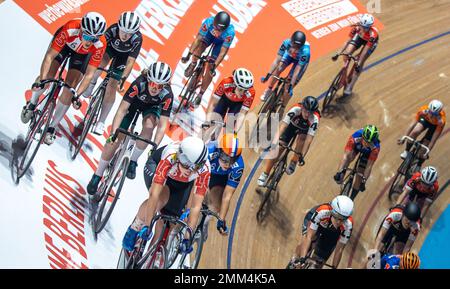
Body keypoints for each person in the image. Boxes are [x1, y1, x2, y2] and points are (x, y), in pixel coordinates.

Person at [86, 61, 174, 194]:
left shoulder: (167, 95)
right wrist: (113, 134)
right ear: (148, 79)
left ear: (165, 85)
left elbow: (162, 125)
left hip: (152, 108)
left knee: (150, 126)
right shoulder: (139, 83)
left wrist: (154, 147)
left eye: (159, 86)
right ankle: (97, 175)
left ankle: (133, 160)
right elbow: (121, 110)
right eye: (152, 83)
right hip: (133, 104)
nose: (155, 88)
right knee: (115, 140)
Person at [21, 12, 107, 145]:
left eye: (94, 39)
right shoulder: (70, 28)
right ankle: (31, 103)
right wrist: (43, 80)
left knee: (70, 90)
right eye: (86, 36)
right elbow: (49, 56)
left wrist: (76, 95)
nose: (89, 41)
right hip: (64, 46)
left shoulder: (100, 44)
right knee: (48, 76)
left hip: (81, 57)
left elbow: (89, 74)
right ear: (81, 29)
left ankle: (52, 127)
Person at [122, 136, 211, 253]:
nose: (190, 169)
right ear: (180, 155)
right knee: (160, 200)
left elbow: (196, 206)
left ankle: (151, 256)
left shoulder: (205, 169)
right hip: (157, 167)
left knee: (172, 220)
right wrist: (147, 225)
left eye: (195, 167)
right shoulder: (170, 155)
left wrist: (187, 238)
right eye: (186, 163)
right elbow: (154, 195)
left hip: (182, 183)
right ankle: (135, 226)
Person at [81, 11, 143, 135]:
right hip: (109, 50)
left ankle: (101, 121)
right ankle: (92, 82)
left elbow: (130, 62)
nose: (125, 36)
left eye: (129, 33)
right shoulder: (113, 29)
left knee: (112, 86)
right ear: (119, 26)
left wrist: (123, 79)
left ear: (134, 32)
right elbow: (99, 46)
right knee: (100, 64)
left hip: (123, 58)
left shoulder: (137, 38)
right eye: (124, 31)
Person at [257, 96, 320, 187]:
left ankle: (293, 161)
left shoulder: (314, 119)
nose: (307, 114)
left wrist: (302, 156)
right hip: (291, 125)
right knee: (278, 149)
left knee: (302, 140)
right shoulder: (295, 110)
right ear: (302, 107)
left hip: (304, 130)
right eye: (306, 111)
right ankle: (265, 174)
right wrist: (275, 142)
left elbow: (309, 140)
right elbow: (282, 127)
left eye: (310, 112)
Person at [180, 11, 235, 107]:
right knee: (200, 47)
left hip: (220, 44)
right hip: (208, 37)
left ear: (225, 29)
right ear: (214, 23)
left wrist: (214, 67)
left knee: (210, 67)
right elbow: (198, 39)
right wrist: (189, 54)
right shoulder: (209, 22)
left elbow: (222, 53)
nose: (217, 32)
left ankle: (200, 94)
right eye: (216, 28)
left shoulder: (230, 33)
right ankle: (193, 64)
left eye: (220, 30)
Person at [287, 195, 354, 269]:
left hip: (332, 232)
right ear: (332, 210)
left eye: (343, 219)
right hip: (317, 222)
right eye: (336, 216)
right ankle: (294, 260)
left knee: (319, 260)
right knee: (309, 242)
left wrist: (334, 267)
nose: (338, 221)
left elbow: (340, 249)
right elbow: (308, 237)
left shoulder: (348, 225)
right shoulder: (323, 211)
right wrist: (302, 258)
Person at [201, 133, 244, 239]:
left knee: (216, 206)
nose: (227, 164)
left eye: (232, 160)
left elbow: (227, 196)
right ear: (219, 151)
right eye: (224, 158)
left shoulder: (239, 165)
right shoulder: (209, 151)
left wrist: (221, 220)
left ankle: (204, 223)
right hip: (203, 173)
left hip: (219, 179)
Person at [260, 31, 310, 113]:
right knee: (278, 69)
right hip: (289, 56)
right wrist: (268, 75)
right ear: (291, 41)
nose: (296, 48)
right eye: (294, 45)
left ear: (302, 45)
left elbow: (297, 70)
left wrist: (291, 85)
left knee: (288, 85)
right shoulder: (286, 42)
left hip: (300, 63)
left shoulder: (306, 52)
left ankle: (283, 106)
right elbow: (277, 61)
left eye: (298, 47)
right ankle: (269, 90)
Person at [331, 13, 379, 98]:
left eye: (366, 28)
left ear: (370, 26)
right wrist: (337, 53)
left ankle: (350, 86)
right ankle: (344, 76)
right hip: (360, 38)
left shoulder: (373, 35)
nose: (364, 29)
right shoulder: (356, 28)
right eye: (362, 26)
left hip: (370, 44)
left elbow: (365, 50)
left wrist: (358, 62)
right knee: (346, 53)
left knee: (359, 60)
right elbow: (347, 42)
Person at [333, 124, 380, 200]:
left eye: (369, 142)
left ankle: (351, 199)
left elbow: (369, 166)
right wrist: (339, 172)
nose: (366, 143)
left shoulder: (375, 148)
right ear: (362, 136)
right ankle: (342, 174)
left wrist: (364, 181)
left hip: (367, 154)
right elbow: (345, 155)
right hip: (357, 146)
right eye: (365, 140)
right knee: (349, 157)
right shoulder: (355, 137)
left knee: (360, 174)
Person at [204, 68, 255, 137]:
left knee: (229, 129)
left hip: (237, 104)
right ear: (234, 84)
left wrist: (236, 132)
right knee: (214, 118)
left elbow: (242, 115)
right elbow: (213, 104)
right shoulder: (226, 82)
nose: (242, 93)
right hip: (224, 99)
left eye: (245, 90)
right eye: (240, 89)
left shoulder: (251, 93)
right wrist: (207, 121)